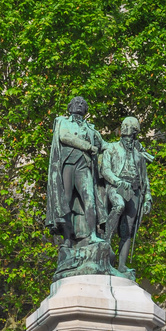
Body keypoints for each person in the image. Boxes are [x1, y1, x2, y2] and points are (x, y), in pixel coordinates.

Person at [46, 97, 106, 247]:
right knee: (65, 200)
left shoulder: (91, 129)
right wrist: (87, 146)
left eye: (82, 104)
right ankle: (67, 238)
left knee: (90, 199)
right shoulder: (63, 122)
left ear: (86, 110)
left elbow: (105, 146)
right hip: (68, 163)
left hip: (84, 166)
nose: (79, 105)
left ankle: (92, 235)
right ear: (70, 107)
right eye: (76, 103)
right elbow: (64, 137)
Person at [100, 116, 153, 271]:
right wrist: (118, 182)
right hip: (117, 187)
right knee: (118, 205)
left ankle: (122, 265)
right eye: (127, 135)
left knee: (128, 229)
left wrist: (148, 198)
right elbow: (105, 170)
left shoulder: (139, 155)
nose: (129, 138)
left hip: (135, 191)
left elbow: (145, 179)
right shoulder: (112, 148)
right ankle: (106, 241)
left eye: (132, 135)